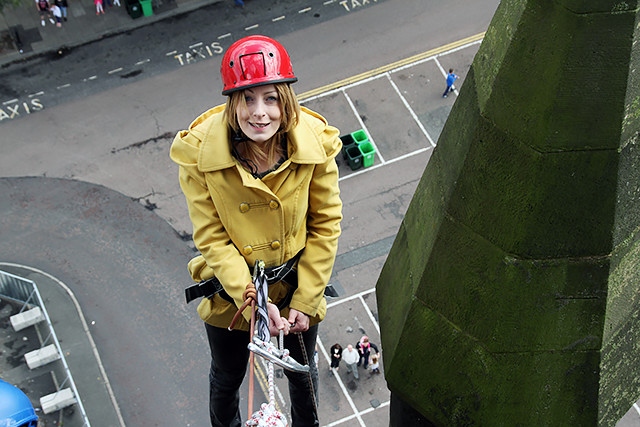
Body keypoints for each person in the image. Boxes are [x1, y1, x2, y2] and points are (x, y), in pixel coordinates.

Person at [170, 35, 343, 427]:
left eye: (270, 98)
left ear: (285, 99)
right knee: (228, 375)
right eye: (247, 99)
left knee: (302, 375)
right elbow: (212, 235)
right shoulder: (201, 157)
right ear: (233, 103)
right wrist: (250, 297)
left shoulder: (313, 147)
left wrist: (305, 299)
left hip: (298, 284)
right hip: (233, 291)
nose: (259, 112)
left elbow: (326, 223)